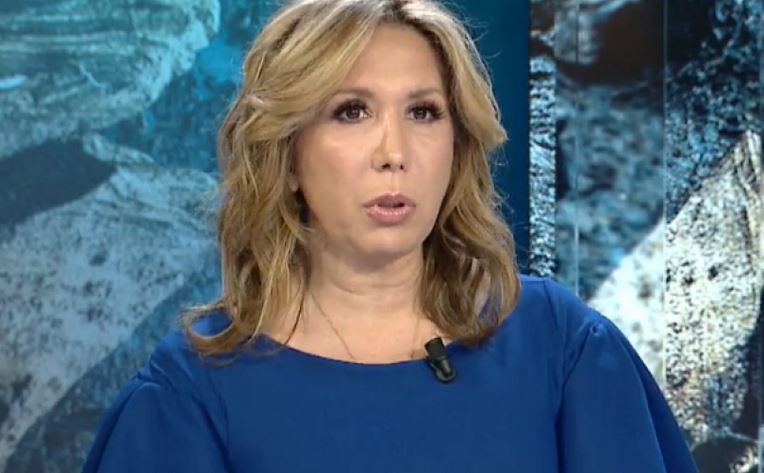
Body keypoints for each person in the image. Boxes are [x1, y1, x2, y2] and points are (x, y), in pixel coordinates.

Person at [82, 0, 700, 472]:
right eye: (351, 111)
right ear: (287, 156)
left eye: (423, 112)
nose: (394, 152)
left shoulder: (561, 346)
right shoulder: (191, 392)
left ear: (456, 147)